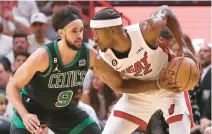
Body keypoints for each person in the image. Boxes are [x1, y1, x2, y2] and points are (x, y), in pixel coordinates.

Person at [90, 6, 200, 134]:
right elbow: (120, 86)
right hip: (139, 94)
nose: (94, 38)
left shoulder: (146, 30)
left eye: (97, 32)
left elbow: (167, 11)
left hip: (171, 87)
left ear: (112, 30)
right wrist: (157, 84)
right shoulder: (102, 59)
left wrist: (182, 46)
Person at [6, 5, 101, 134]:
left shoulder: (88, 53)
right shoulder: (43, 56)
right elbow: (12, 86)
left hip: (63, 110)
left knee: (92, 130)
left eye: (81, 30)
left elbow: (114, 79)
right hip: (32, 108)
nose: (79, 35)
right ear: (62, 32)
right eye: (74, 31)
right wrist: (24, 115)